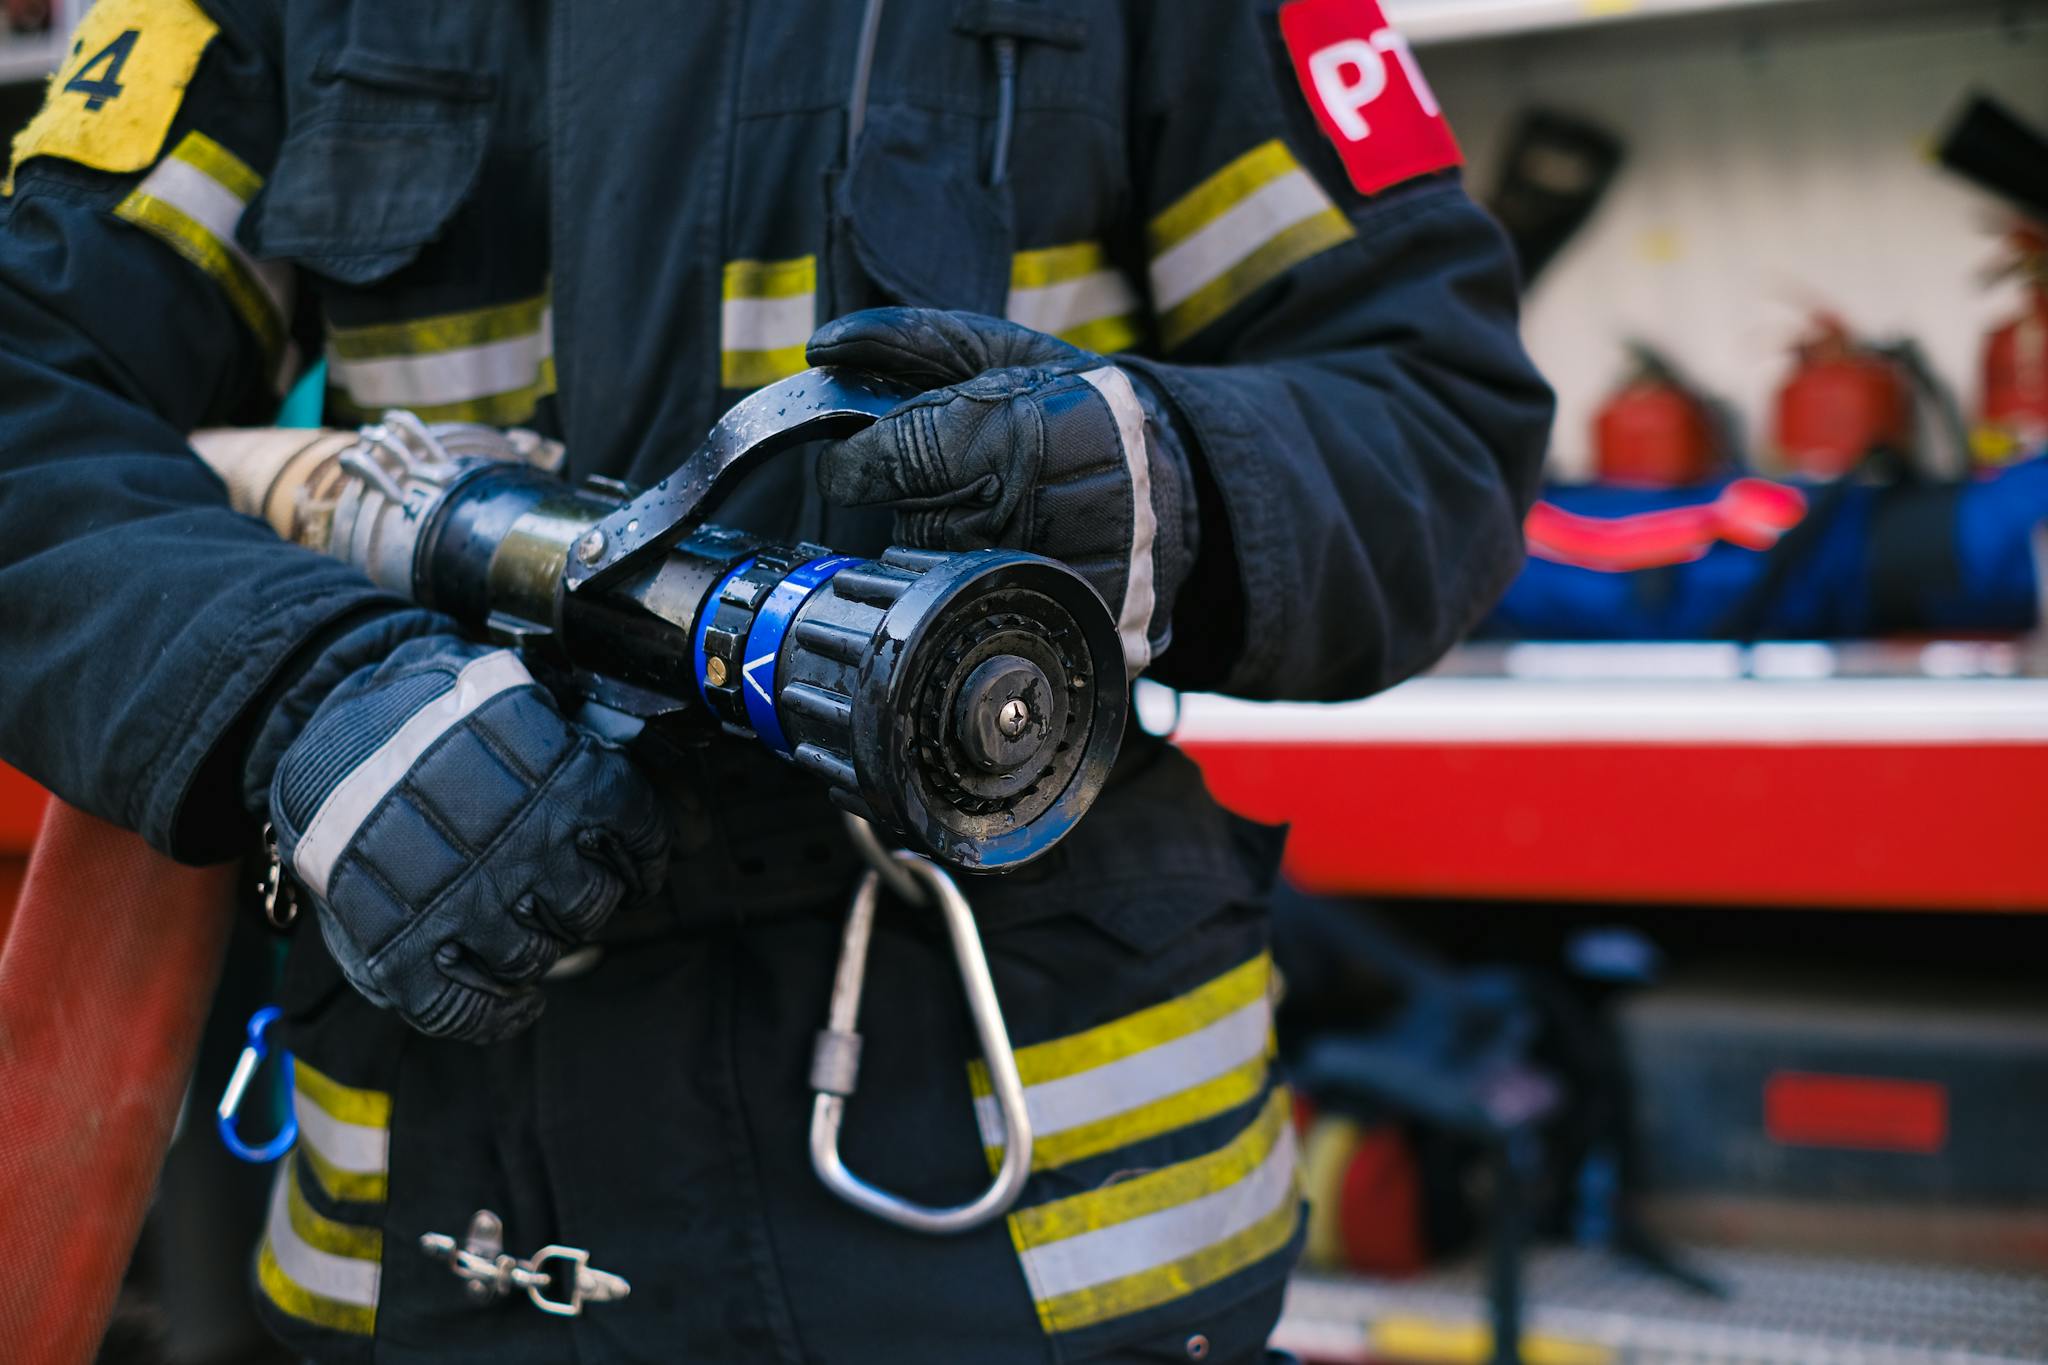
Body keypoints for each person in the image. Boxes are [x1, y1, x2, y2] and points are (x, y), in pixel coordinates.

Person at [0, 0, 1550, 1359]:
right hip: (464, 1221)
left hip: (1039, 1243)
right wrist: (303, 690)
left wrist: (1160, 478)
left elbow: (1435, 413)